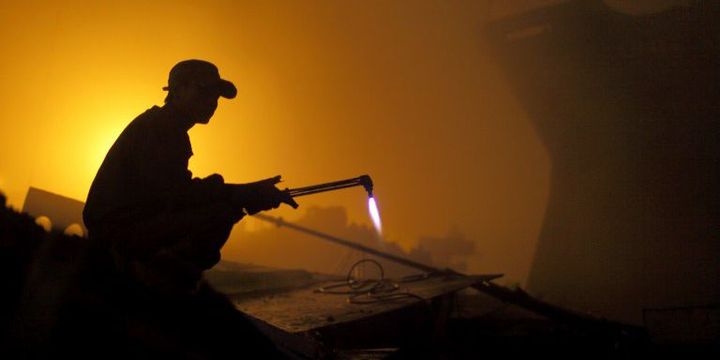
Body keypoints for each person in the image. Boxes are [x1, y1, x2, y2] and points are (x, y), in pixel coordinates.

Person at [83, 59, 297, 295]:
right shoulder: (158, 128)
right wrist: (240, 194)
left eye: (215, 96)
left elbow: (177, 193)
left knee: (223, 207)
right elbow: (175, 194)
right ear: (177, 90)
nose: (212, 102)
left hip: (128, 226)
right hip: (117, 233)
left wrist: (247, 193)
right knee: (221, 212)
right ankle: (158, 283)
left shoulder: (168, 129)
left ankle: (162, 279)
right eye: (204, 92)